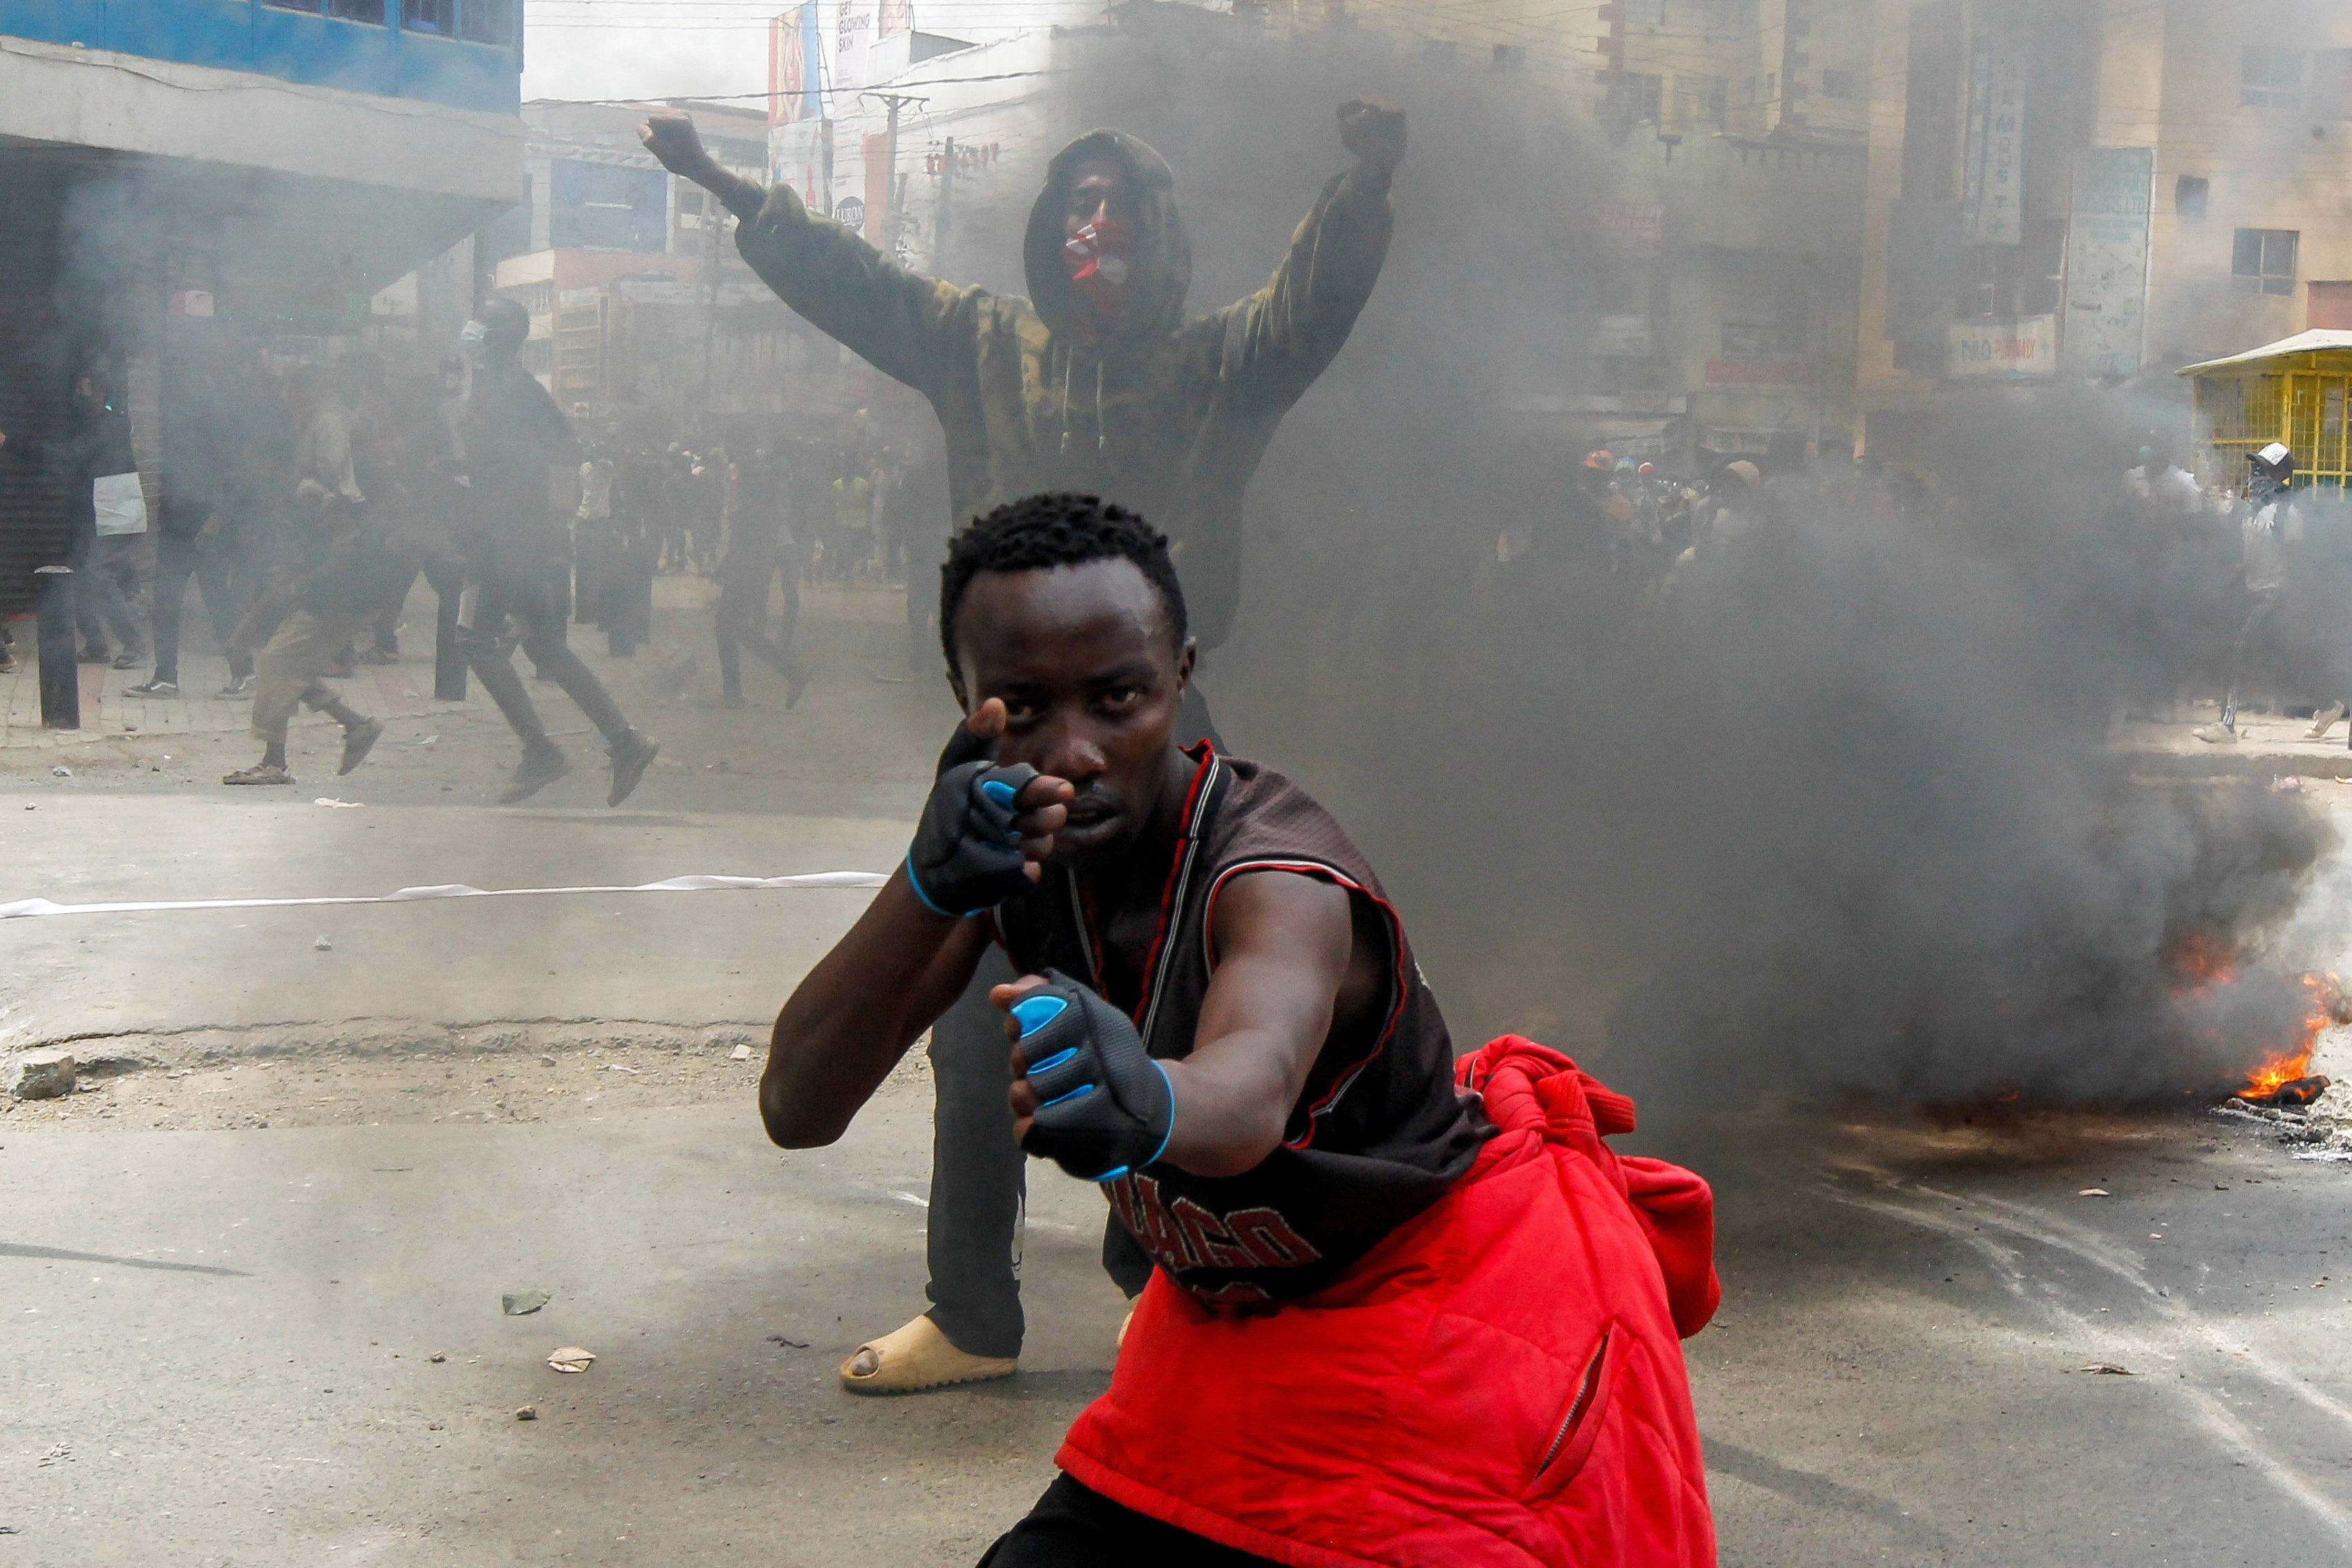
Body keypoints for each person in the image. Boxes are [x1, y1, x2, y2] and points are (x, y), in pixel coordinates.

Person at [760, 494, 1719, 1566]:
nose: (1073, 752)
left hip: (1433, 1312)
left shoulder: (1274, 868)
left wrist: (1152, 1100)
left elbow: (1249, 1090)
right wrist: (926, 886)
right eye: (1023, 706)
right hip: (1234, 1315)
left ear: (1182, 676)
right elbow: (798, 1106)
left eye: (1117, 697)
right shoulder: (1009, 852)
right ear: (965, 701)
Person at [642, 94, 1404, 1392]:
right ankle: (973, 1313)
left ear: (1158, 238)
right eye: (1075, 206)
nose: (1092, 228)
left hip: (1161, 749)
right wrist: (729, 186)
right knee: (971, 1028)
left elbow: (1307, 309)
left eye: (1119, 208)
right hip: (1001, 747)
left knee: (1158, 1010)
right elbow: (854, 283)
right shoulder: (980, 343)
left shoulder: (1218, 362)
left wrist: (1361, 190)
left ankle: (1156, 1283)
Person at [450, 298, 660, 805]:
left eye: (483, 324)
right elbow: (558, 448)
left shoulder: (506, 389)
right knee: (545, 646)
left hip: (504, 536)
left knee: (473, 638)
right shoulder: (509, 387)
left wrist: (502, 466)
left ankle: (541, 750)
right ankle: (625, 740)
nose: (472, 331)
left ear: (500, 337)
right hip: (527, 534)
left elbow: (557, 452)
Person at [221, 366, 393, 787]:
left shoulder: (320, 496)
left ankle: (275, 762)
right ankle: (355, 724)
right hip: (336, 588)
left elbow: (297, 575)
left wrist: (245, 630)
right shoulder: (307, 495)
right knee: (289, 665)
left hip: (338, 591)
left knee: (278, 661)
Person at [0, 365, 150, 669]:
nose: (78, 394)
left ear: (100, 391)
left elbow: (66, 456)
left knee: (97, 574)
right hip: (92, 510)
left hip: (113, 510)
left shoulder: (108, 426)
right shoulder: (92, 422)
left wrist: (11, 443)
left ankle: (135, 643)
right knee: (78, 575)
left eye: (84, 388)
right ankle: (96, 644)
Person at [133, 343, 254, 698]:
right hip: (178, 527)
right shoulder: (177, 416)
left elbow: (233, 474)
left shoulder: (212, 414)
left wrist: (216, 519)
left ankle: (243, 673)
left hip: (203, 529)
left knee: (216, 602)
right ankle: (167, 676)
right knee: (168, 602)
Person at [2197, 442, 2302, 745]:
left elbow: (2295, 556)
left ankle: (2226, 726)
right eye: (2255, 468)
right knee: (2278, 657)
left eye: (2263, 469)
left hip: (2275, 593)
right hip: (2254, 591)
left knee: (2240, 648)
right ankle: (2330, 701)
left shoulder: (2288, 511)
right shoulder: (2248, 512)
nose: (2255, 475)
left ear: (2281, 474)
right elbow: (2246, 558)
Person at [712, 445, 810, 709]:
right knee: (732, 627)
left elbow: (747, 544)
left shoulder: (755, 509)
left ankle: (786, 673)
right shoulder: (762, 506)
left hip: (746, 572)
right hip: (750, 571)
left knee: (730, 626)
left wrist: (730, 565)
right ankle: (740, 690)